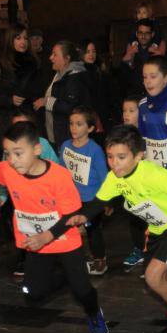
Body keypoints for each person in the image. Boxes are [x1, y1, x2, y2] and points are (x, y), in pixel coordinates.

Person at [75, 125, 167, 333]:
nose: (114, 163)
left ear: (139, 155)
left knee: (153, 276)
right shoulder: (115, 178)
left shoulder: (153, 174)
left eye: (121, 157)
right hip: (158, 228)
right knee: (160, 274)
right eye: (110, 157)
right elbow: (99, 202)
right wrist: (81, 216)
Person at [0, 121, 108, 333]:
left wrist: (47, 236)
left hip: (64, 239)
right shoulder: (7, 169)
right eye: (7, 153)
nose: (11, 160)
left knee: (82, 290)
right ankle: (66, 279)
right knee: (33, 293)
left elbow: (71, 216)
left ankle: (94, 313)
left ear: (37, 150)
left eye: (18, 153)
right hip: (34, 242)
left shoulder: (59, 176)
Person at [0, 109, 60, 278]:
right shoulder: (9, 148)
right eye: (15, 125)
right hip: (20, 199)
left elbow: (57, 168)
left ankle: (52, 259)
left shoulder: (43, 145)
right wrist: (1, 197)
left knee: (46, 228)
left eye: (23, 126)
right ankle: (25, 258)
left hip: (42, 199)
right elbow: (4, 173)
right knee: (22, 227)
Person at [59, 107, 109, 275]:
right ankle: (78, 258)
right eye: (71, 123)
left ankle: (100, 260)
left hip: (92, 199)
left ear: (90, 128)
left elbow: (104, 177)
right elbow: (61, 171)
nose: (73, 127)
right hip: (73, 198)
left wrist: (106, 201)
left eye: (79, 124)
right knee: (72, 229)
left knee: (93, 230)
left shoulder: (95, 150)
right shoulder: (66, 146)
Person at [0, 24, 41, 155]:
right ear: (10, 39)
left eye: (25, 38)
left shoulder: (34, 62)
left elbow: (37, 89)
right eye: (18, 38)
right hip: (5, 122)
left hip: (27, 119)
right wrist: (9, 100)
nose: (23, 42)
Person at [35, 40, 91, 151]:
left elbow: (71, 107)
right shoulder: (59, 74)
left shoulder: (74, 78)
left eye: (55, 55)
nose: (51, 58)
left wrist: (47, 102)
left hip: (67, 136)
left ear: (66, 59)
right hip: (58, 135)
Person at [119, 94, 147, 270]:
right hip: (129, 185)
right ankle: (138, 249)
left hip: (147, 185)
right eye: (124, 111)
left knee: (151, 220)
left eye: (131, 110)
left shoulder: (148, 133)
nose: (126, 114)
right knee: (134, 218)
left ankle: (153, 251)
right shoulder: (121, 135)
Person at [121, 19, 167, 97]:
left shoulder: (160, 52)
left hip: (157, 95)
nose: (143, 36)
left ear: (152, 34)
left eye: (147, 33)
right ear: (136, 34)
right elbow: (123, 77)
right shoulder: (130, 51)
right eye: (140, 33)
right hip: (135, 95)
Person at [80, 38, 116, 141]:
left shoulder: (100, 72)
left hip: (103, 117)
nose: (91, 54)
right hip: (88, 118)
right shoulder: (79, 73)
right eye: (87, 52)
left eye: (93, 51)